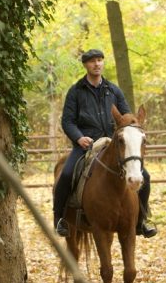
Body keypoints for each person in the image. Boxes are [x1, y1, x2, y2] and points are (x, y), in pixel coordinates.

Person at [53, 48, 157, 238]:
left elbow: (126, 116)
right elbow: (67, 121)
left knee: (145, 176)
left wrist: (132, 125)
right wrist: (79, 138)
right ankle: (59, 219)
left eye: (100, 60)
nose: (97, 64)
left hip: (112, 143)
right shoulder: (76, 92)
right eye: (93, 61)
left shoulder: (113, 90)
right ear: (85, 65)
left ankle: (142, 220)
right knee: (66, 174)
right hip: (86, 143)